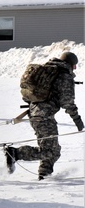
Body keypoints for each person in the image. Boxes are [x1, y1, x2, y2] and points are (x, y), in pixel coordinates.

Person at [5, 51, 82, 179]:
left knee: (52, 149)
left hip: (36, 115)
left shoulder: (48, 70)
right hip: (44, 117)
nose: (75, 68)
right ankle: (15, 153)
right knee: (51, 151)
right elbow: (67, 102)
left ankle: (44, 175)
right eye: (74, 65)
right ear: (71, 64)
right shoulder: (64, 76)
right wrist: (77, 119)